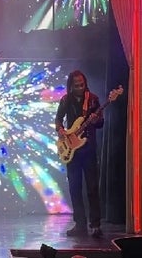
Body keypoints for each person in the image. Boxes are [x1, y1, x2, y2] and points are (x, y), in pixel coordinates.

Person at [55, 70, 105, 238]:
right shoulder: (65, 100)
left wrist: (96, 119)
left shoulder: (93, 99)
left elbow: (101, 123)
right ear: (71, 86)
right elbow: (58, 119)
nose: (79, 88)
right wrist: (61, 130)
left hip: (89, 148)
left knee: (92, 187)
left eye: (82, 85)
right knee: (74, 188)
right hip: (72, 150)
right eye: (76, 86)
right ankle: (80, 224)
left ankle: (96, 225)